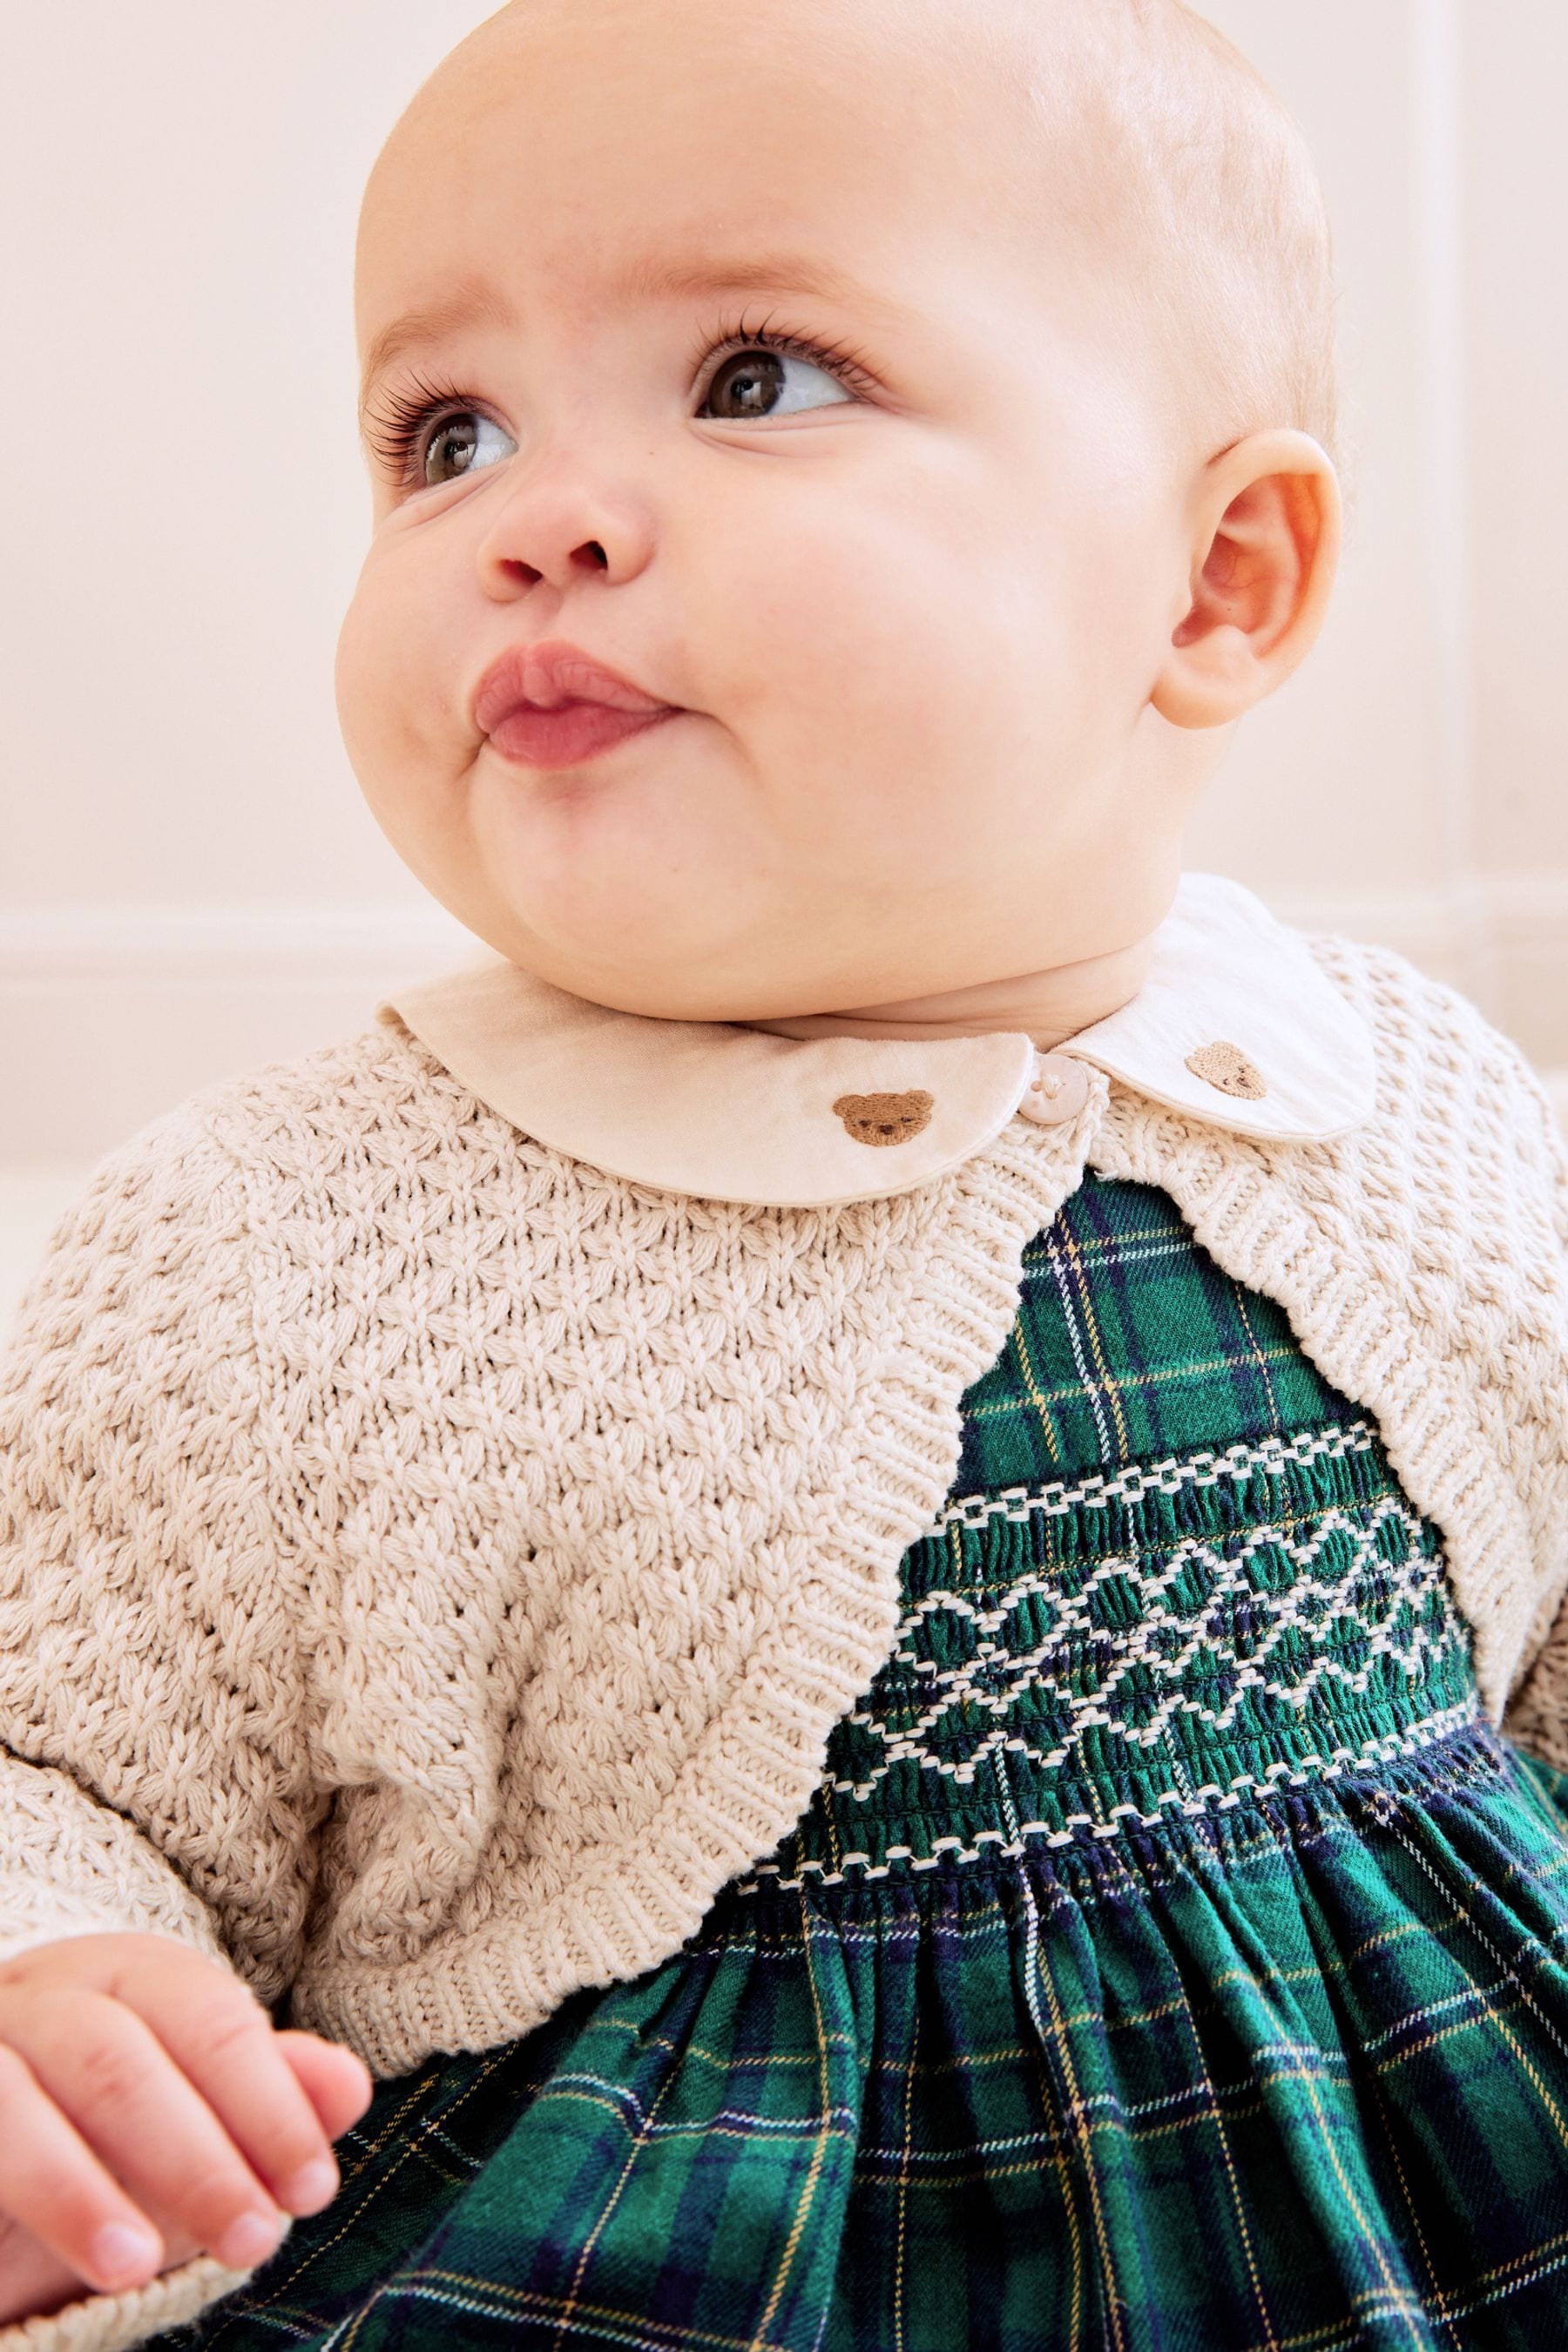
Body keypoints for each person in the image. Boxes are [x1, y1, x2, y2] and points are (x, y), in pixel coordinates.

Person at [2, 0, 1566, 2343]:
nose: (543, 511)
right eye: (448, 431)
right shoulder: (265, 1251)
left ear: (1217, 575)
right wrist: (54, 1977)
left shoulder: (1411, 1097)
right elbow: (51, 1744)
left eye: (755, 377)